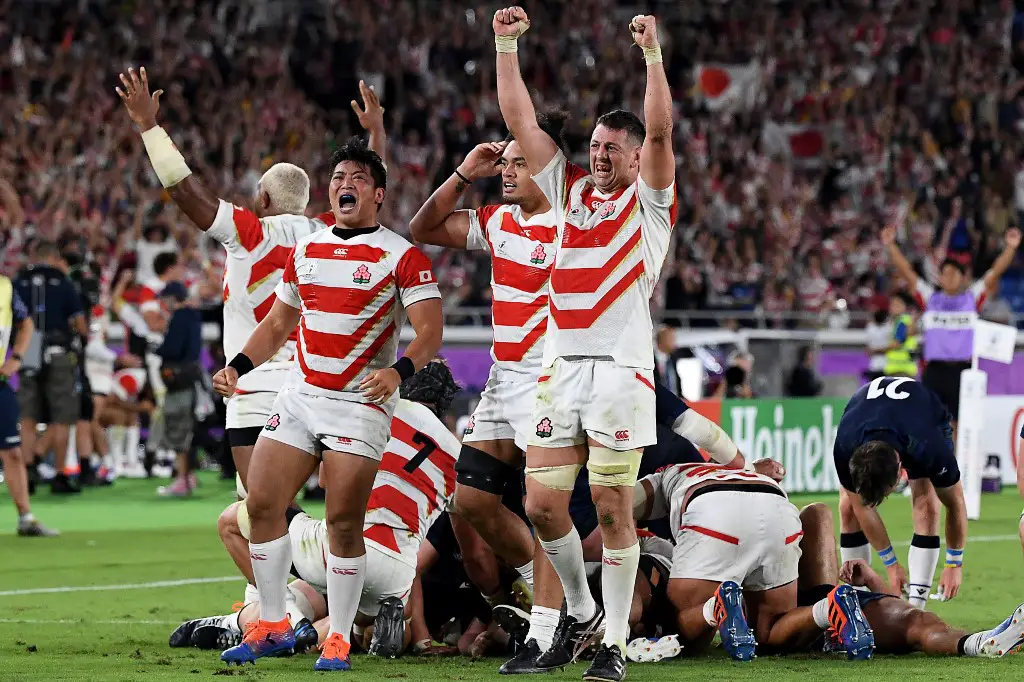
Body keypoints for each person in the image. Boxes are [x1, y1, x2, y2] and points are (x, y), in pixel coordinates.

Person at [207, 131, 443, 671]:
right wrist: (238, 366)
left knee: (341, 522)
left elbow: (430, 330)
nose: (346, 185)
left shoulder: (401, 256)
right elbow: (278, 323)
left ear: (378, 195)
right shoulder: (306, 249)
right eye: (339, 178)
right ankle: (270, 622)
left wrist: (398, 371)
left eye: (359, 178)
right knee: (260, 505)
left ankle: (336, 636)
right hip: (301, 395)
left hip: (359, 403)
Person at [493, 9, 676, 680]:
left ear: (634, 158)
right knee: (541, 504)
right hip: (560, 367)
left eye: (611, 150)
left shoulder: (650, 204)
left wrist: (652, 56)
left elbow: (661, 128)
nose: (598, 157)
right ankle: (584, 614)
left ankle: (615, 647)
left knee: (610, 508)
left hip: (620, 375)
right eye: (594, 146)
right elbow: (521, 123)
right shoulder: (566, 192)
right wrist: (505, 45)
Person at [117, 66, 386, 499]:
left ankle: (300, 569)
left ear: (262, 199)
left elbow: (187, 192)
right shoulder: (325, 233)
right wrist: (376, 134)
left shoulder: (250, 232)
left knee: (258, 514)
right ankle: (305, 565)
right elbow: (371, 189)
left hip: (254, 386)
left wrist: (149, 126)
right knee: (282, 512)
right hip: (312, 388)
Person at [169, 361, 461, 658]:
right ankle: (338, 631)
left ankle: (275, 622)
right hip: (396, 577)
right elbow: (472, 524)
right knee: (355, 611)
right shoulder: (455, 451)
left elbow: (325, 480)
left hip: (340, 548)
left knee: (235, 522)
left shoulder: (370, 409)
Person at [408, 120, 562, 658]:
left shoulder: (570, 222)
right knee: (470, 501)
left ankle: (551, 621)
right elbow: (422, 227)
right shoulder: (498, 222)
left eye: (520, 164)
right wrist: (463, 173)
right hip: (502, 382)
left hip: (548, 383)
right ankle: (530, 590)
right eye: (505, 163)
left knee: (545, 507)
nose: (508, 173)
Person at [767, 504, 1024, 659]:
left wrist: (871, 578)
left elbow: (892, 603)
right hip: (800, 617)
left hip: (826, 605)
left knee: (817, 512)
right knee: (918, 624)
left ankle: (988, 639)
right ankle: (977, 644)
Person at [632, 459, 818, 662]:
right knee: (768, 633)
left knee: (680, 634)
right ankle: (830, 609)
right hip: (778, 510)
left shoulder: (668, 473)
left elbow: (620, 504)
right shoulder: (739, 468)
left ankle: (717, 607)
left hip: (714, 510)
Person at [833, 376, 967, 610]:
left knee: (926, 502)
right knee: (848, 507)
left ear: (900, 474)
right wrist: (891, 564)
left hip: (922, 415)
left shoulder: (928, 445)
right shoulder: (845, 446)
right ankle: (858, 608)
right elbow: (861, 507)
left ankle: (916, 608)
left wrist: (954, 564)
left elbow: (955, 503)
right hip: (866, 414)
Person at [882, 224, 1020, 423]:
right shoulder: (930, 299)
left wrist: (1011, 248)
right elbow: (906, 271)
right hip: (935, 370)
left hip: (962, 371)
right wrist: (890, 245)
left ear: (963, 278)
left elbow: (995, 271)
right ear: (940, 277)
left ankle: (956, 455)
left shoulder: (972, 298)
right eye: (945, 273)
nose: (949, 277)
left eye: (954, 273)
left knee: (958, 423)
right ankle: (935, 455)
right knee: (931, 422)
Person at [14, 240, 90, 494]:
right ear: (54, 257)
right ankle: (60, 475)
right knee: (62, 417)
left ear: (34, 256)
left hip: (28, 347)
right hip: (57, 348)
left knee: (27, 416)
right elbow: (80, 324)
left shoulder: (20, 281)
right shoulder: (64, 282)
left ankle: (28, 473)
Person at [0, 274, 57, 536]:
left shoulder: (5, 287)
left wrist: (18, 358)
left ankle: (26, 518)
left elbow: (26, 324)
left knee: (12, 452)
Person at [151, 282, 203, 497]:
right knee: (185, 430)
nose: (163, 303)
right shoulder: (193, 316)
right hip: (189, 380)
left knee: (178, 430)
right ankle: (188, 477)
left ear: (173, 298)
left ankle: (182, 480)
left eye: (165, 299)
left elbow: (173, 348)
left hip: (179, 381)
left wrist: (156, 347)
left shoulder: (181, 317)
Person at [882, 292, 919, 378]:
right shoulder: (895, 322)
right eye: (892, 304)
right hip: (897, 369)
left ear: (905, 307)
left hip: (902, 371)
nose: (892, 307)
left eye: (897, 304)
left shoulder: (904, 322)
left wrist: (877, 350)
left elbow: (896, 343)